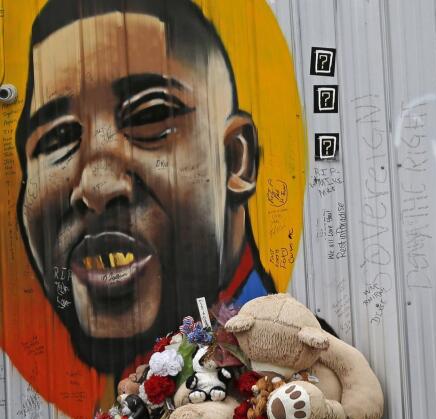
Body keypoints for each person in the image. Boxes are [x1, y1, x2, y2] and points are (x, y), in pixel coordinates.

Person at [14, 0, 277, 374]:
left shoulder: (282, 357)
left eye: (151, 116)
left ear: (236, 158)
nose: (97, 186)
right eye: (57, 138)